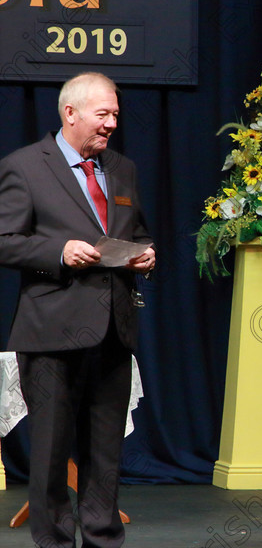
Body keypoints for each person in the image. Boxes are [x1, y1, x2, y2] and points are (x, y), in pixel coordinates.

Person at [0, 72, 155, 548]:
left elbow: (138, 230)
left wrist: (146, 253)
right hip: (50, 332)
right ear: (70, 113)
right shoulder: (24, 166)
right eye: (102, 114)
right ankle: (54, 542)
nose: (111, 123)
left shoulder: (123, 169)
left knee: (106, 452)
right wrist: (59, 252)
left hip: (113, 330)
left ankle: (104, 538)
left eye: (114, 115)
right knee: (49, 451)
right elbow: (5, 241)